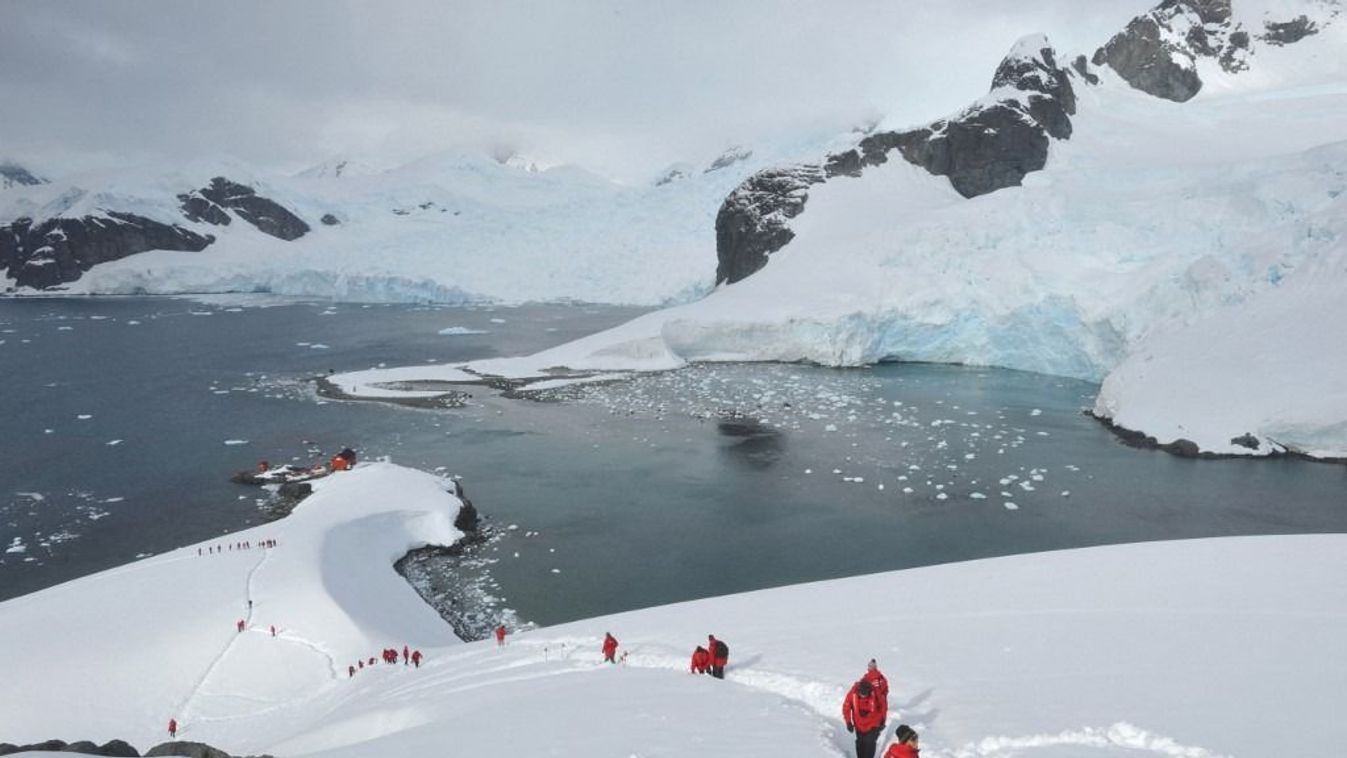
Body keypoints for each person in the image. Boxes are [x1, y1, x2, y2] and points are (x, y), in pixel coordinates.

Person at [842, 678, 888, 758]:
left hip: (873, 723)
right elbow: (846, 707)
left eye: (865, 695)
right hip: (859, 724)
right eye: (861, 695)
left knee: (869, 743)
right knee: (860, 743)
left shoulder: (876, 692)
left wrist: (883, 721)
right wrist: (848, 722)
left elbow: (883, 706)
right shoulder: (852, 693)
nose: (863, 696)